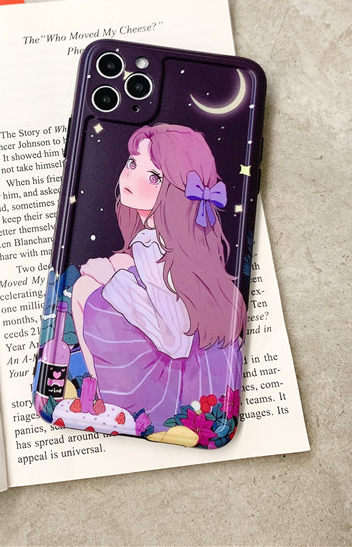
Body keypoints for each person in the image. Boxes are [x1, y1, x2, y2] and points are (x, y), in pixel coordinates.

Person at [70, 123, 246, 431]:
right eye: (132, 163)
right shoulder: (170, 241)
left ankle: (103, 395)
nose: (131, 176)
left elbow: (174, 341)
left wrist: (113, 280)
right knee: (108, 274)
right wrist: (121, 270)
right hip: (186, 369)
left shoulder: (155, 247)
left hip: (169, 388)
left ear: (176, 192)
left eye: (154, 177)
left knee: (87, 291)